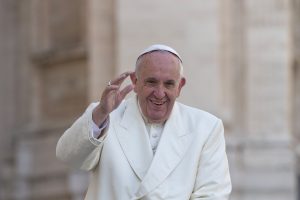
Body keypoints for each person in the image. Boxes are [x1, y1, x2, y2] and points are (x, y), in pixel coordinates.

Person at [56, 44, 232, 200]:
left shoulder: (206, 127)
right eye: (152, 82)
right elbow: (68, 157)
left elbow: (213, 194)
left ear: (180, 86)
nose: (159, 93)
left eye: (169, 84)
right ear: (135, 82)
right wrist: (101, 113)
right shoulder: (106, 115)